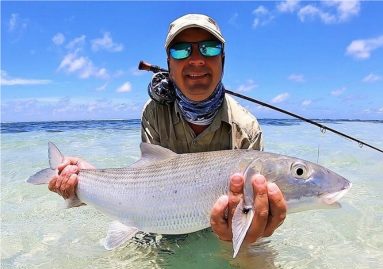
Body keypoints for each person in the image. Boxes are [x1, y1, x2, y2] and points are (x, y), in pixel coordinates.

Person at [46, 13, 286, 251]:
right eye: (181, 50)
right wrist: (87, 180)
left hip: (223, 232)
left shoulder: (246, 127)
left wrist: (252, 227)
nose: (196, 59)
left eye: (209, 49)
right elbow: (146, 182)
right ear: (169, 64)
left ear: (223, 59)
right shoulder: (154, 112)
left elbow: (251, 210)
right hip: (162, 226)